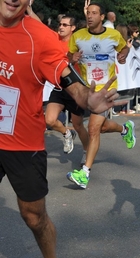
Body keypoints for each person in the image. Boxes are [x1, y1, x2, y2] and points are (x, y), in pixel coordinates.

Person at [0, 0, 122, 258]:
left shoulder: (40, 37)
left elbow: (67, 79)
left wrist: (87, 99)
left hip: (21, 143)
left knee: (33, 217)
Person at [66, 3, 136, 189]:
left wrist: (123, 55)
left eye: (94, 13)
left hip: (106, 90)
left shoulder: (113, 35)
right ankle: (124, 129)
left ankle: (84, 173)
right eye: (88, 13)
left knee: (94, 129)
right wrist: (71, 59)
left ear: (102, 16)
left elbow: (124, 48)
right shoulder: (78, 36)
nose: (90, 16)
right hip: (84, 90)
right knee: (87, 125)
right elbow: (68, 55)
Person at [45, 15, 89, 164]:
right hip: (59, 87)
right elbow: (40, 27)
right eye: (60, 24)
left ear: (73, 28)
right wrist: (29, 9)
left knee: (78, 125)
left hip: (75, 89)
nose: (61, 27)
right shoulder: (55, 39)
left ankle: (87, 152)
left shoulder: (76, 42)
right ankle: (66, 132)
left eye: (65, 25)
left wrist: (87, 16)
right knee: (49, 120)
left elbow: (93, 36)